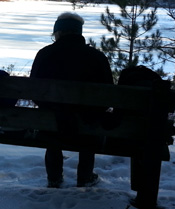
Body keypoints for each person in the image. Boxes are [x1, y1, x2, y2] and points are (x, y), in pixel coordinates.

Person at [30, 12, 113, 188]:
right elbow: (108, 96)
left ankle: (54, 177)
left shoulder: (44, 54)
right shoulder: (96, 57)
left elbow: (34, 92)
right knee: (89, 121)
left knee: (53, 119)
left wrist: (53, 107)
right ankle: (84, 176)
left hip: (51, 124)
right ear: (79, 32)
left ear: (57, 32)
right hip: (87, 125)